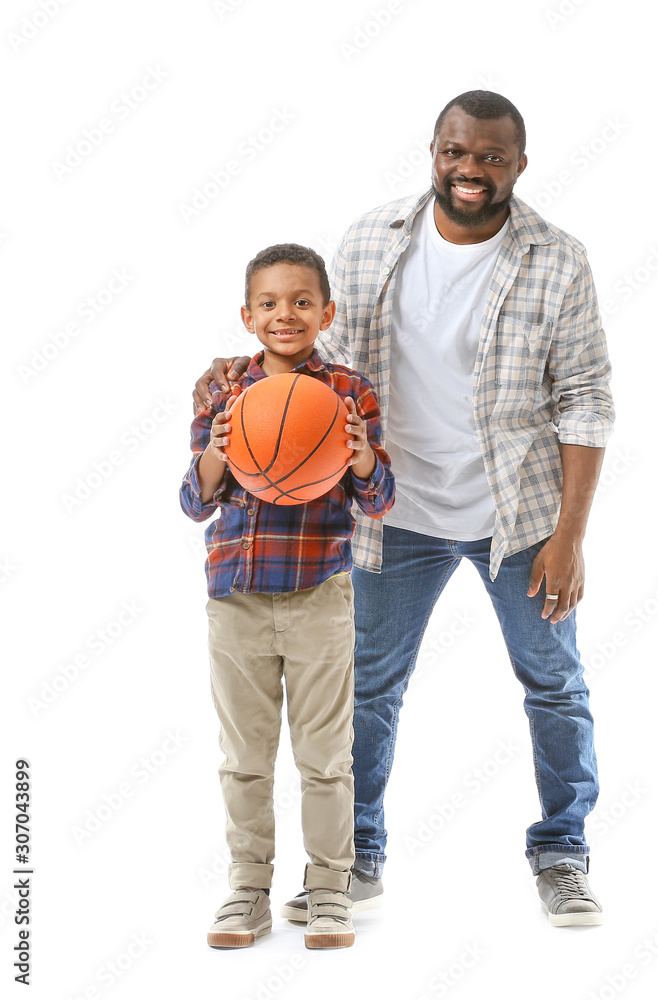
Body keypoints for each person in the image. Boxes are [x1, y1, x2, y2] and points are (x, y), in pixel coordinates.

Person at [193, 91, 615, 928]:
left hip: (518, 516)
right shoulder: (370, 240)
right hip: (394, 511)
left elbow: (587, 400)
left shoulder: (559, 260)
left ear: (517, 166)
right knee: (369, 689)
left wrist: (569, 537)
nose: (471, 169)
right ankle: (355, 858)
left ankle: (562, 852)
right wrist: (237, 374)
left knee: (554, 684)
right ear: (434, 151)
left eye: (491, 157)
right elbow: (319, 362)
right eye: (456, 151)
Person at [180, 244, 395, 949]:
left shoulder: (350, 391)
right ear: (247, 315)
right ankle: (247, 891)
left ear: (326, 312)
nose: (285, 315)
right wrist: (219, 447)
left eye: (302, 302)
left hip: (319, 597)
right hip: (235, 596)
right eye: (269, 303)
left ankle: (329, 890)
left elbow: (381, 499)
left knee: (326, 756)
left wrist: (359, 453)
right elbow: (193, 502)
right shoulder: (222, 391)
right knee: (244, 755)